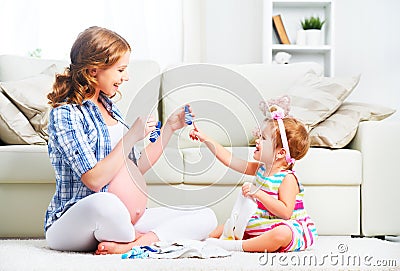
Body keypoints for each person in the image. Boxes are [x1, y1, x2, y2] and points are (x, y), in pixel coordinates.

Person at [44, 26, 217, 255]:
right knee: (106, 203)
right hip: (76, 222)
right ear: (94, 70)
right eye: (121, 70)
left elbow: (136, 170)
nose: (126, 77)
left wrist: (170, 129)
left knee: (206, 216)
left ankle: (136, 242)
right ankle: (147, 237)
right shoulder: (67, 114)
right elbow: (94, 180)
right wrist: (131, 136)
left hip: (128, 220)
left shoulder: (111, 109)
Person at [192, 96, 317, 252]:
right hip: (261, 223)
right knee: (231, 223)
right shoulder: (260, 169)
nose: (257, 141)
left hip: (287, 227)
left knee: (281, 234)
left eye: (263, 139)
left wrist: (258, 193)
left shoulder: (288, 179)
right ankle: (203, 242)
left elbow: (285, 212)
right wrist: (205, 138)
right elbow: (230, 160)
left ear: (280, 153)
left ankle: (237, 246)